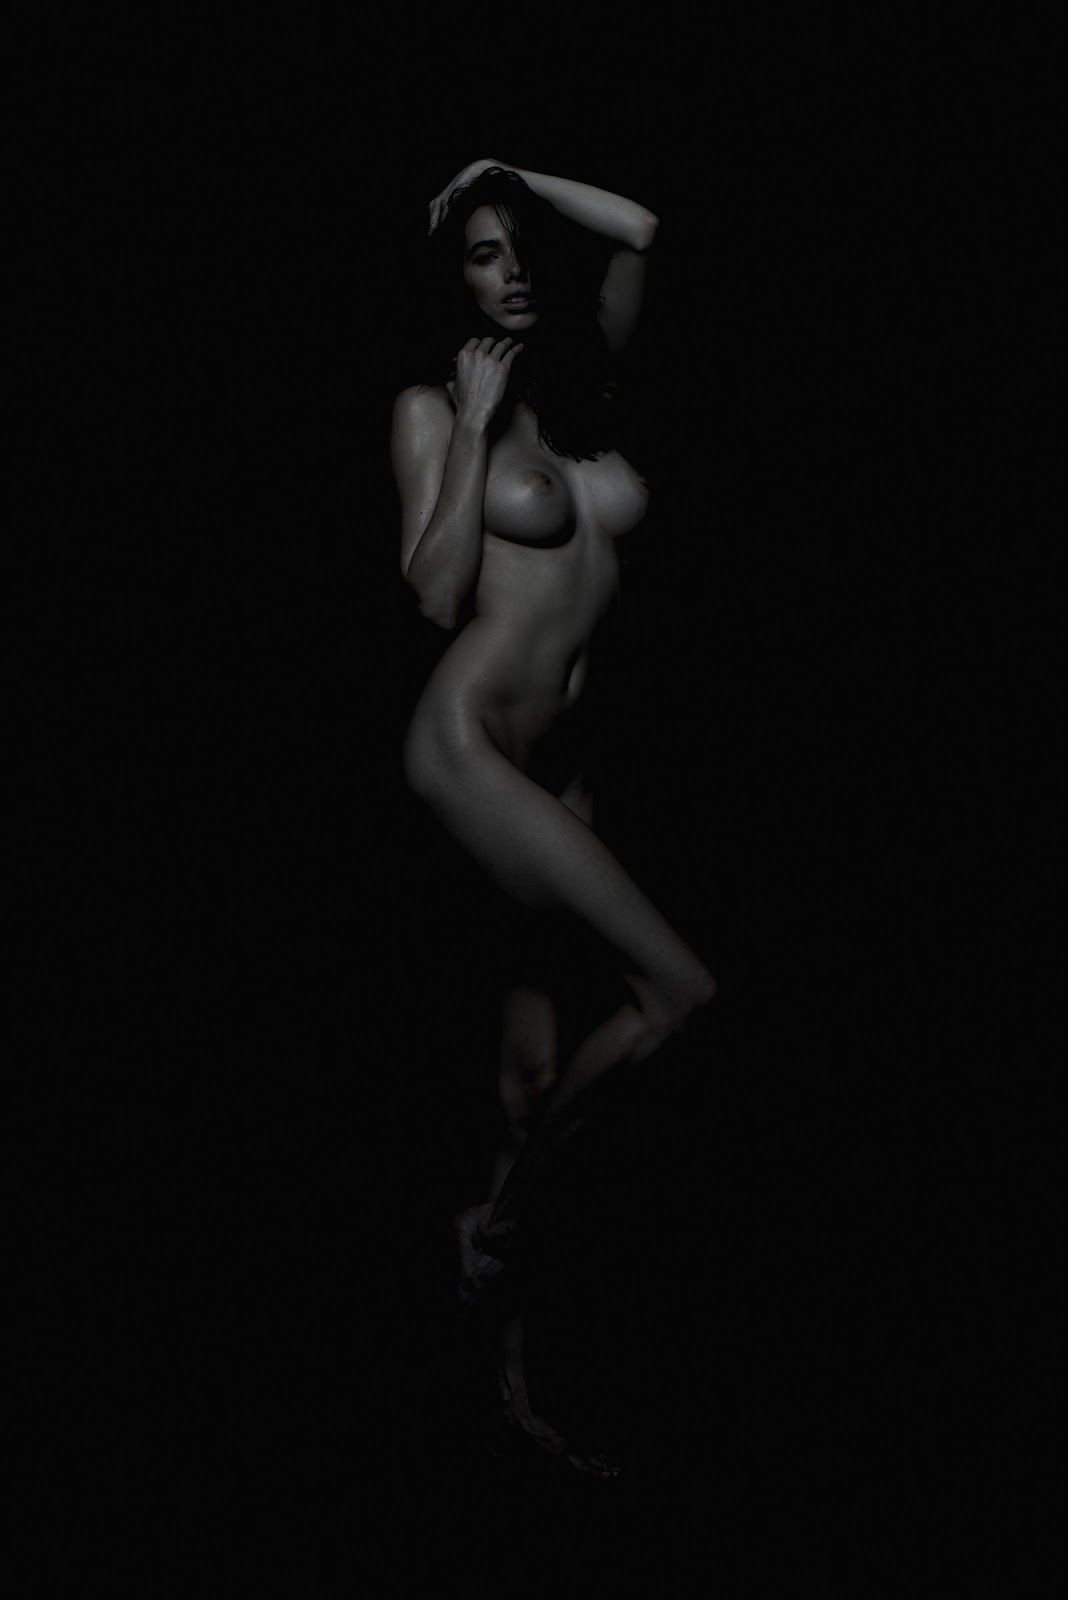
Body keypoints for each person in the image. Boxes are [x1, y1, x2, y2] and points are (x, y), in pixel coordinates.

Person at [391, 159, 717, 1475]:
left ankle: (511, 1401)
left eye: (521, 244)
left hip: (563, 775)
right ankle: (499, 1233)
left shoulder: (594, 391)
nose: (511, 269)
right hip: (470, 749)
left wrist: (506, 170)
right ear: (455, 281)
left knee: (534, 1085)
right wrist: (472, 428)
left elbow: (640, 225)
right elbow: (433, 597)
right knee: (678, 994)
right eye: (482, 251)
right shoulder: (432, 405)